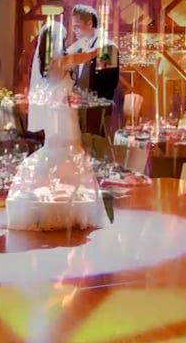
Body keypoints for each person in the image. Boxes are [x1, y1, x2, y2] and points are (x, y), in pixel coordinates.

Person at [6, 21, 109, 232]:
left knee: (65, 154)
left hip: (63, 114)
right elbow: (82, 57)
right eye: (61, 39)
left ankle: (59, 207)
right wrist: (99, 48)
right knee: (65, 154)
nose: (63, 42)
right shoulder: (57, 62)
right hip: (61, 118)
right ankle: (61, 211)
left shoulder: (52, 65)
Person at [66, 4, 119, 101]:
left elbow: (108, 86)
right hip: (80, 108)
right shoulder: (79, 48)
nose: (73, 30)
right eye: (73, 27)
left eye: (77, 26)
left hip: (98, 109)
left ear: (90, 23)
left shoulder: (107, 47)